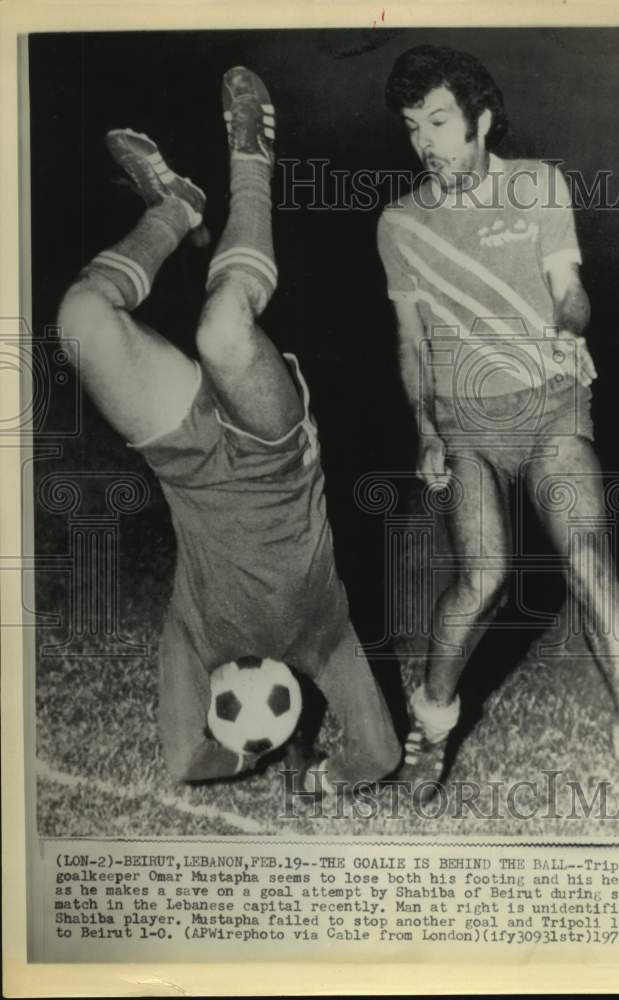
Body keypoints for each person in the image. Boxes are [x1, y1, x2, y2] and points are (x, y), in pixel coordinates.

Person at [57, 66, 400, 797]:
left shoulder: (193, 640)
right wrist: (331, 777)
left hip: (182, 459)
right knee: (222, 329)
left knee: (81, 320)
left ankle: (175, 209)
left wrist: (244, 762)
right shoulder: (326, 636)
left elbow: (184, 760)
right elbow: (379, 752)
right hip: (275, 463)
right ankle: (251, 159)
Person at [377, 44, 619, 810]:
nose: (425, 142)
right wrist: (425, 428)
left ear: (480, 119)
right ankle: (431, 726)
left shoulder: (539, 186)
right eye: (413, 127)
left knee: (589, 562)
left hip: (549, 407)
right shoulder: (401, 224)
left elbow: (569, 291)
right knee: (483, 580)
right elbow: (411, 342)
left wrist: (572, 329)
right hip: (466, 425)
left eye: (439, 121)